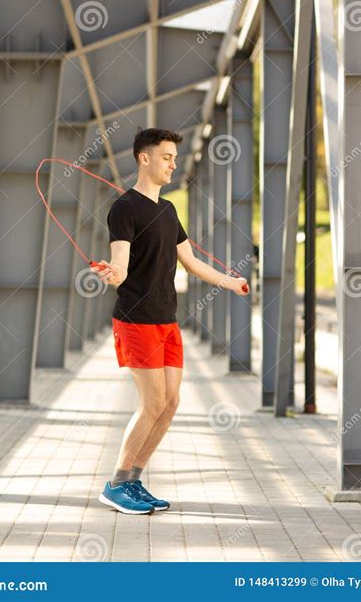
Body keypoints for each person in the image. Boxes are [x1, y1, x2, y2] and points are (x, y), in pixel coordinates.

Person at [91, 128, 249, 515]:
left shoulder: (168, 210)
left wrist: (230, 281)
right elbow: (122, 267)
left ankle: (134, 480)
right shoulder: (123, 208)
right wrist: (112, 274)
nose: (173, 164)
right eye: (166, 157)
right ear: (144, 158)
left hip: (166, 317)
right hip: (136, 318)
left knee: (171, 402)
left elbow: (190, 263)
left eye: (175, 158)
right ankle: (115, 483)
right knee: (153, 402)